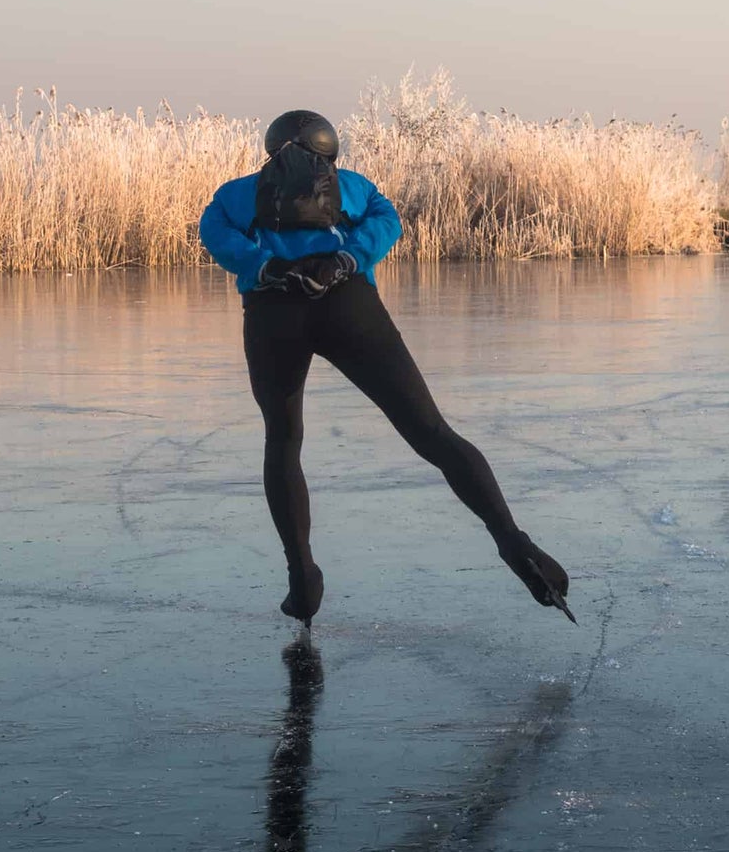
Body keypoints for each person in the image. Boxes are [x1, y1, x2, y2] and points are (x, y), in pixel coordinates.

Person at [198, 109, 570, 626]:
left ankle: (302, 576)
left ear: (271, 148)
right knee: (432, 431)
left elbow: (213, 234)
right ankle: (515, 543)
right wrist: (344, 260)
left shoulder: (235, 193)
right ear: (330, 152)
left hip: (272, 312)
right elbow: (387, 223)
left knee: (283, 441)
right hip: (349, 306)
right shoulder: (352, 186)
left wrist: (267, 266)